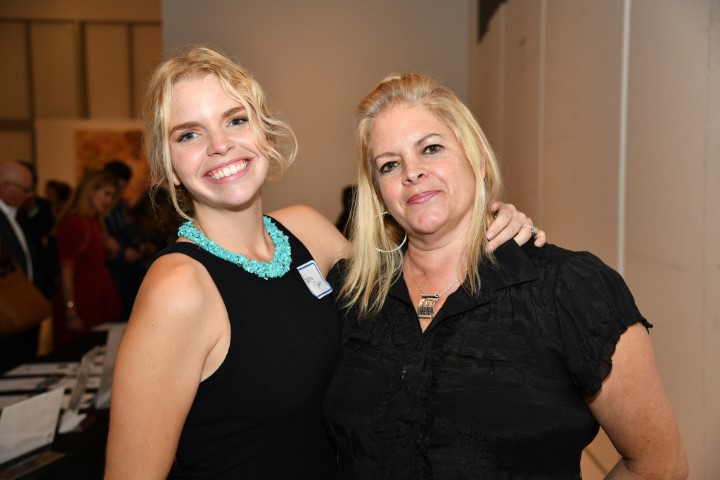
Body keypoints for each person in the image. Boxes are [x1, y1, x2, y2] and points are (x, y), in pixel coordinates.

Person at [104, 47, 538, 479]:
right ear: (170, 167)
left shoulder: (308, 232)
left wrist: (487, 221)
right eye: (188, 135)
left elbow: (408, 278)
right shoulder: (177, 287)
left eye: (235, 120)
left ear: (264, 133)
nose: (220, 145)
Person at [323, 73, 689, 479]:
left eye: (431, 148)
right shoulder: (349, 293)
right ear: (378, 192)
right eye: (390, 165)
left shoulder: (568, 289)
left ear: (478, 159)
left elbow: (660, 465)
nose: (412, 172)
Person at [53, 169, 122, 350]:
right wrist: (71, 311)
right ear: (91, 191)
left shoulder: (95, 222)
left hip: (98, 294)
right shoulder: (72, 224)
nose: (109, 201)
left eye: (112, 196)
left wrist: (112, 251)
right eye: (106, 194)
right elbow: (66, 273)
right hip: (82, 298)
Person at [0, 160, 46, 371]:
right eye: (25, 190)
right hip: (7, 316)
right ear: (4, 186)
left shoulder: (17, 214)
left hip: (25, 312)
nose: (30, 195)